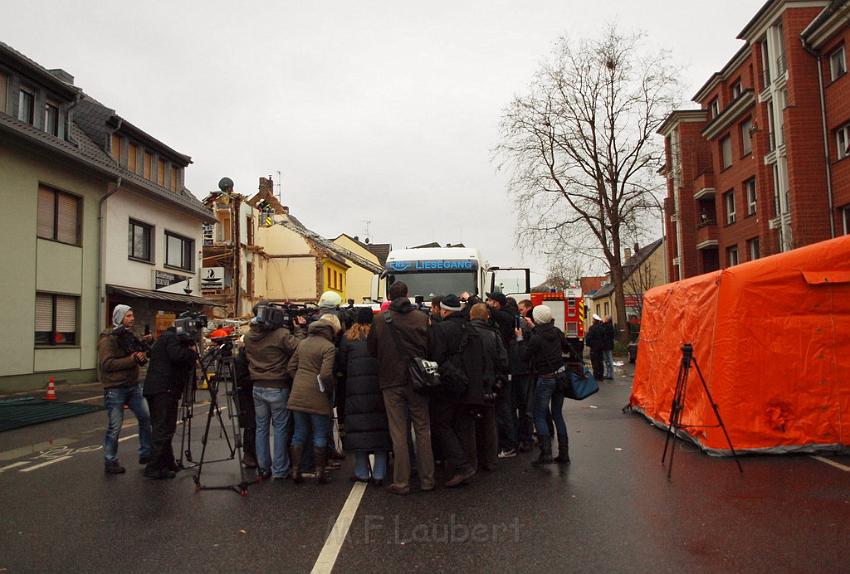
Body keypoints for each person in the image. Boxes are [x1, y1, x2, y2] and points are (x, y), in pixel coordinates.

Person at [367, 281, 435, 495]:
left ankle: (402, 481)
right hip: (418, 381)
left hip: (391, 381)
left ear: (389, 296)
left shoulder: (379, 321)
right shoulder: (423, 318)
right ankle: (428, 479)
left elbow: (372, 350)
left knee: (398, 432)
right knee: (423, 430)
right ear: (407, 294)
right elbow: (432, 348)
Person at [243, 302, 305, 480]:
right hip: (277, 386)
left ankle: (263, 468)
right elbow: (299, 347)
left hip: (258, 386)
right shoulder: (281, 335)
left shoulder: (248, 336)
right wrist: (299, 330)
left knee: (261, 428)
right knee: (280, 429)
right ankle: (280, 469)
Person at [429, 294, 483, 487]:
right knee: (463, 426)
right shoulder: (471, 328)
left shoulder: (440, 329)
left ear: (443, 310)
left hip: (449, 385)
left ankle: (461, 466)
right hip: (470, 386)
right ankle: (467, 465)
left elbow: (436, 357)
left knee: (441, 424)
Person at [337, 307, 391, 485]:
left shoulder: (348, 338)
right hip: (377, 387)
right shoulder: (380, 335)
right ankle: (379, 474)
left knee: (358, 430)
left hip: (355, 389)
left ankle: (361, 472)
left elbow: (342, 365)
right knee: (380, 430)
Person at [98, 304, 152, 474]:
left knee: (145, 417)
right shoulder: (108, 339)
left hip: (132, 385)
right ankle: (110, 460)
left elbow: (138, 359)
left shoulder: (128, 336)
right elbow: (107, 364)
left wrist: (142, 354)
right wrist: (132, 359)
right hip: (115, 388)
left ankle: (146, 453)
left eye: (132, 315)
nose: (132, 318)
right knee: (115, 426)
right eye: (128, 316)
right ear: (119, 317)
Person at [287, 314, 340, 484]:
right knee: (319, 434)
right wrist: (329, 389)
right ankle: (320, 472)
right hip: (318, 394)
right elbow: (325, 374)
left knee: (299, 433)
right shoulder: (328, 347)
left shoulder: (302, 344)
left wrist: (300, 380)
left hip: (298, 393)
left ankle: (296, 470)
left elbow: (290, 367)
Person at [142, 324, 198, 479]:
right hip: (164, 390)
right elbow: (178, 356)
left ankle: (167, 462)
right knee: (163, 429)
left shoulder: (166, 338)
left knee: (164, 428)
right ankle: (153, 467)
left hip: (158, 389)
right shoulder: (171, 339)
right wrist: (192, 353)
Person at [518, 305, 570, 466]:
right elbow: (566, 348)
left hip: (545, 378)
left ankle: (546, 453)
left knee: (539, 415)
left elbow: (525, 357)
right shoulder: (556, 332)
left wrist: (520, 340)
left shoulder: (536, 338)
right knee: (557, 414)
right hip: (561, 376)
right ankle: (564, 453)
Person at [467, 303, 507, 470]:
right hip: (490, 385)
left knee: (469, 425)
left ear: (471, 316)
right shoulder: (494, 335)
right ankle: (490, 460)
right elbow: (503, 361)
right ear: (486, 316)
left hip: (470, 386)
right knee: (489, 423)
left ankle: (472, 462)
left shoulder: (466, 333)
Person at [510, 299, 535, 452]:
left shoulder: (524, 326)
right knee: (524, 406)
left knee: (525, 407)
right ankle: (525, 436)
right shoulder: (526, 325)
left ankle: (526, 438)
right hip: (523, 371)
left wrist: (519, 338)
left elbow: (526, 351)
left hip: (523, 371)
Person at [585, 314, 606, 382]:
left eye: (593, 319)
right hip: (600, 347)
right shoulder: (602, 328)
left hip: (594, 347)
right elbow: (604, 338)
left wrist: (589, 344)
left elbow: (589, 338)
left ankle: (596, 375)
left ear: (594, 320)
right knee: (600, 361)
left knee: (594, 361)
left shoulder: (592, 328)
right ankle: (601, 375)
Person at [603, 316, 616, 380]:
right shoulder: (609, 326)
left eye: (605, 318)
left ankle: (610, 374)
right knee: (607, 360)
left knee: (608, 360)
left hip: (607, 345)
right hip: (608, 345)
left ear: (607, 320)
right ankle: (609, 374)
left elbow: (605, 335)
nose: (604, 319)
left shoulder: (608, 326)